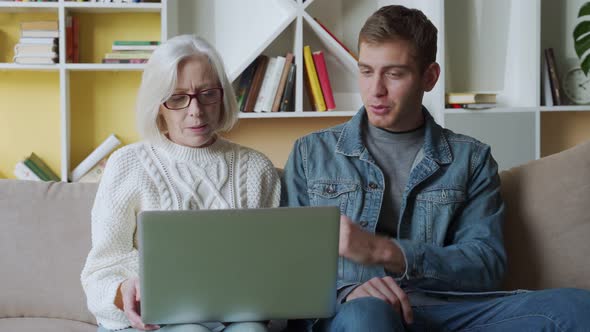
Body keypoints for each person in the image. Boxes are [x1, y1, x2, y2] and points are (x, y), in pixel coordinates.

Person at [281, 5, 590, 332]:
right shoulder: (311, 153)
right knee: (369, 316)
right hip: (355, 311)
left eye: (394, 73)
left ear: (429, 77)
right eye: (367, 71)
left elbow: (485, 265)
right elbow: (290, 266)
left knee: (574, 308)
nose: (376, 90)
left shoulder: (470, 158)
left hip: (444, 310)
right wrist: (347, 291)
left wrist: (388, 252)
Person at [81, 35, 280, 332]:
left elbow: (275, 264)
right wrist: (126, 291)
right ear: (158, 104)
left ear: (223, 96)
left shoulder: (257, 168)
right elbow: (101, 269)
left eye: (207, 94)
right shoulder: (127, 165)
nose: (196, 111)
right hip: (157, 321)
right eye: (177, 98)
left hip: (236, 317)